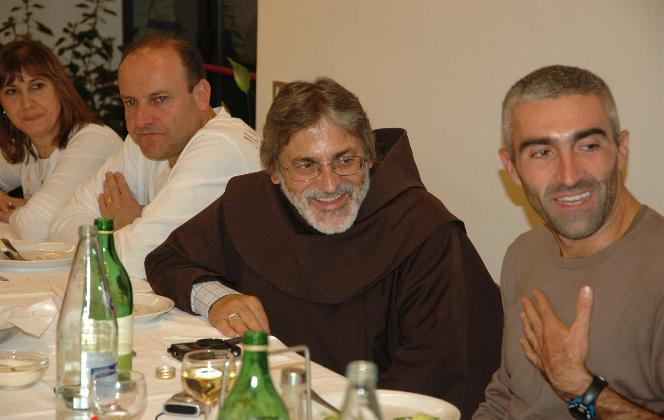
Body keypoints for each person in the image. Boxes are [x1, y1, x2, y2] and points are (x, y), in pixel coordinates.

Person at [146, 77, 503, 418]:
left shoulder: (424, 232)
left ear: (369, 157)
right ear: (274, 172)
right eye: (307, 165)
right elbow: (168, 260)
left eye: (345, 160)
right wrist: (217, 300)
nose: (330, 185)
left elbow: (437, 376)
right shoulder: (252, 204)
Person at [473, 65, 664, 419]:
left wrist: (582, 389)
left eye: (588, 146)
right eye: (542, 152)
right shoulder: (523, 253)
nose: (569, 175)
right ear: (512, 168)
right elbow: (504, 399)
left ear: (621, 149)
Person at [49, 32, 260, 278]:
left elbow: (137, 261)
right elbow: (61, 224)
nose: (141, 120)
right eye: (131, 102)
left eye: (160, 99)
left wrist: (132, 226)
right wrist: (133, 229)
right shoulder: (147, 140)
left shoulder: (221, 146)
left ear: (201, 95)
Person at [0, 39, 122, 240]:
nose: (26, 103)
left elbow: (35, 228)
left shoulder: (93, 142)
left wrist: (10, 211)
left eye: (37, 86)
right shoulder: (28, 147)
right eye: (11, 92)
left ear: (60, 88)